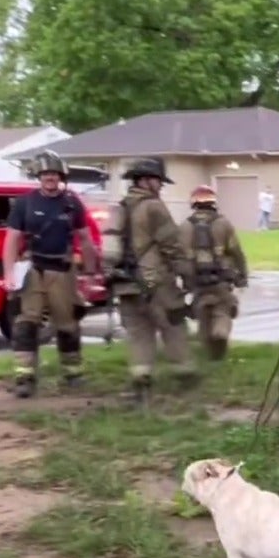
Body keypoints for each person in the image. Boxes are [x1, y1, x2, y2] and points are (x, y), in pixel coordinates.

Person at [3, 150, 97, 398]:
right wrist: (8, 275)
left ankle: (73, 373)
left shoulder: (72, 203)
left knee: (67, 324)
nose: (50, 178)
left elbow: (86, 240)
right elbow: (11, 240)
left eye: (54, 174)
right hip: (32, 270)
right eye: (45, 174)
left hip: (63, 271)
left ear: (61, 176)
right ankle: (24, 377)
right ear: (38, 176)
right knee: (26, 324)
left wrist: (90, 273)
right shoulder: (24, 204)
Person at [108, 157, 194, 404]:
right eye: (158, 180)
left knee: (138, 333)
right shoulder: (154, 207)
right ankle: (185, 375)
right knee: (174, 325)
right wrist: (187, 276)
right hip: (153, 281)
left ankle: (141, 380)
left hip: (125, 283)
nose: (161, 186)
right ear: (146, 180)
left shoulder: (120, 207)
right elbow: (172, 246)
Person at [181, 184, 249, 361]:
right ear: (213, 202)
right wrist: (242, 275)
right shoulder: (223, 223)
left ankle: (209, 355)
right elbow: (236, 251)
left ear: (193, 203)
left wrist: (185, 281)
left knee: (202, 317)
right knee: (224, 310)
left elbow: (179, 258)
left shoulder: (185, 226)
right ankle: (220, 333)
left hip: (197, 284)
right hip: (221, 281)